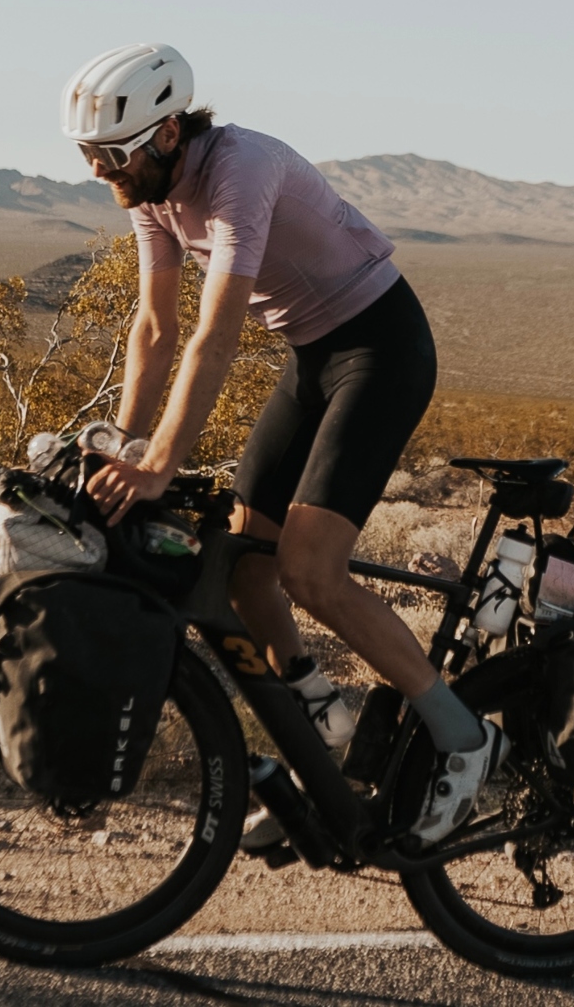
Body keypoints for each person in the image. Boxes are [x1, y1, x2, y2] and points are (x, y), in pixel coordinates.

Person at [64, 43, 504, 844]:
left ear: (168, 134)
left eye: (113, 154)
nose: (100, 171)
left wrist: (159, 464)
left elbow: (215, 335)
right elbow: (155, 327)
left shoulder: (241, 170)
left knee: (309, 571)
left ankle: (464, 737)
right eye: (89, 153)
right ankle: (319, 730)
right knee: (244, 567)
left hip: (381, 349)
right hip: (311, 356)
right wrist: (123, 444)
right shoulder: (149, 190)